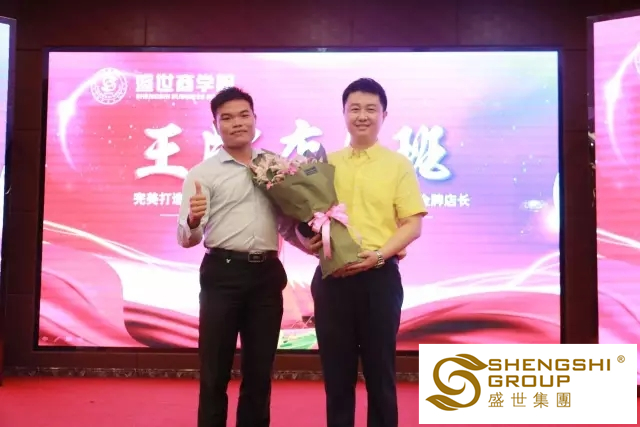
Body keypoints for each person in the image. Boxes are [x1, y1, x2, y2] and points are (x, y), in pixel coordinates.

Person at [177, 87, 311, 427]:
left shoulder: (275, 168)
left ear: (254, 119)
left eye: (243, 115)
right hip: (222, 275)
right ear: (215, 126)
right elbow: (187, 238)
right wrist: (193, 219)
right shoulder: (202, 174)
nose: (237, 123)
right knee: (214, 372)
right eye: (227, 118)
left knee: (259, 373)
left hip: (266, 277)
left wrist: (319, 244)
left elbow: (286, 226)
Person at [309, 78, 427, 427]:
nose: (362, 116)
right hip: (333, 278)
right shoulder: (324, 165)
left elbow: (412, 225)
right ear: (344, 113)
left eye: (371, 109)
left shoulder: (397, 165)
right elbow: (308, 219)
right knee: (337, 377)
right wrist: (310, 240)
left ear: (384, 115)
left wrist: (379, 256)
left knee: (381, 375)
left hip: (379, 279)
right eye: (355, 108)